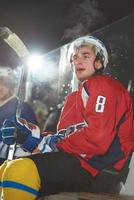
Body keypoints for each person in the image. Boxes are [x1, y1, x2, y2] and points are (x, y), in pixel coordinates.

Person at [0, 36, 133, 200]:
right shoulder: (74, 98)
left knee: (19, 170)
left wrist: (51, 144)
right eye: (74, 58)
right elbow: (66, 137)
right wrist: (27, 137)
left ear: (99, 63)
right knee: (5, 168)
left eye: (85, 56)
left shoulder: (104, 84)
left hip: (100, 170)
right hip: (81, 164)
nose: (78, 61)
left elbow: (97, 139)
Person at [0, 67, 38, 164]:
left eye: (5, 84)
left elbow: (33, 135)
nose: (0, 87)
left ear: (11, 86)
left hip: (9, 160)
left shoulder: (22, 108)